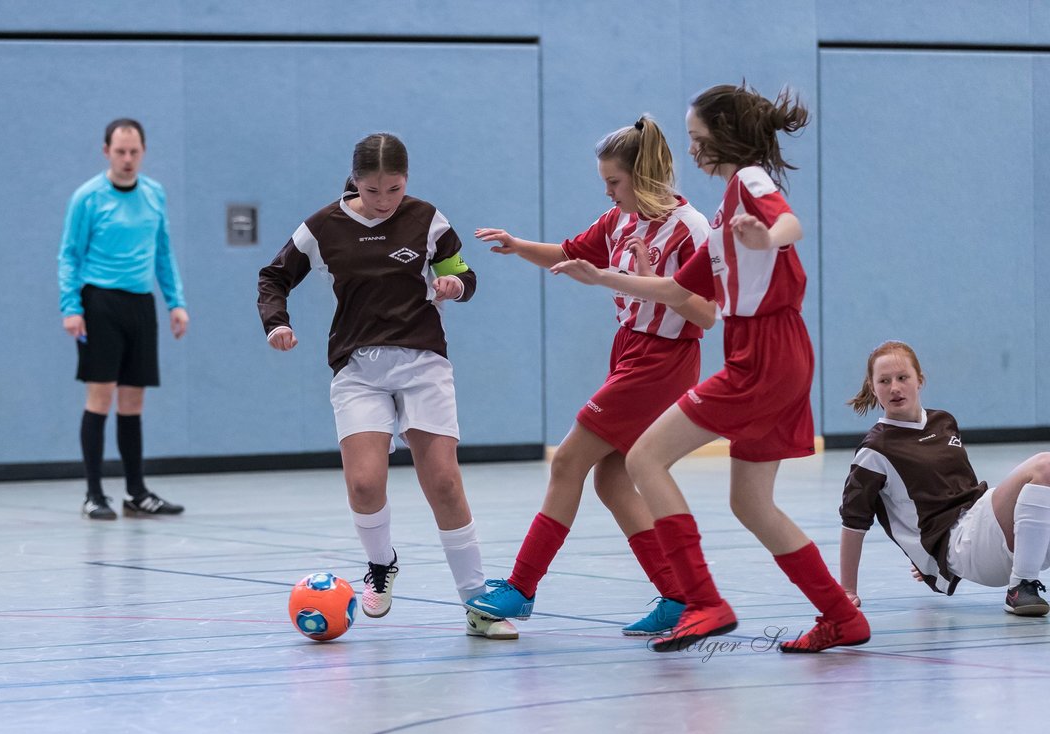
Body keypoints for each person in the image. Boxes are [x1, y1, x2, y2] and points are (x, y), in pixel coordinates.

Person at [551, 83, 870, 653]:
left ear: (725, 137)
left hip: (765, 354)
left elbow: (790, 224)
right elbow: (676, 287)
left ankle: (704, 601)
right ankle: (841, 616)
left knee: (645, 457)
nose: (692, 151)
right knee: (750, 503)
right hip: (777, 352)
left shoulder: (748, 181)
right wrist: (602, 277)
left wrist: (769, 236)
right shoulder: (726, 205)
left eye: (698, 139)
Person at [257, 132, 516, 640]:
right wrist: (277, 323)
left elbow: (464, 275)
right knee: (364, 483)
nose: (383, 202)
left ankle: (478, 602)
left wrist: (454, 285)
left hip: (423, 361)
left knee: (442, 480)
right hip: (358, 367)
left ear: (407, 181)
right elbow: (274, 276)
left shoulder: (427, 220)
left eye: (393, 190)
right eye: (372, 191)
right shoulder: (323, 226)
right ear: (354, 181)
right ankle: (381, 565)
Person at [465, 117, 714, 636]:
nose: (607, 191)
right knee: (612, 477)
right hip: (628, 350)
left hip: (663, 359)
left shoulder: (690, 229)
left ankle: (521, 587)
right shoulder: (620, 220)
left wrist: (649, 285)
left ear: (644, 176)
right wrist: (518, 245)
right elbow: (571, 253)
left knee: (569, 461)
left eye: (615, 182)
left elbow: (707, 314)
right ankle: (677, 596)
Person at [839, 340, 1050, 616]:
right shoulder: (874, 451)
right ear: (872, 387)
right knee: (1044, 465)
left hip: (978, 521)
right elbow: (853, 523)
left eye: (903, 377)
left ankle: (1023, 580)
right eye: (884, 381)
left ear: (920, 380)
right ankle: (1020, 586)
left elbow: (953, 491)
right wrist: (847, 590)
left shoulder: (943, 421)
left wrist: (923, 554)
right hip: (961, 544)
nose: (894, 387)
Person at [59, 118, 190, 521]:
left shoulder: (154, 194)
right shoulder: (88, 197)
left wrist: (175, 302)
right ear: (106, 152)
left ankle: (136, 492)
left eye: (134, 152)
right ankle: (94, 494)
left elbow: (163, 252)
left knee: (133, 401)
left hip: (140, 304)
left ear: (143, 152)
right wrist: (71, 307)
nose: (128, 159)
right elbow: (69, 254)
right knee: (101, 396)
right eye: (120, 152)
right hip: (99, 302)